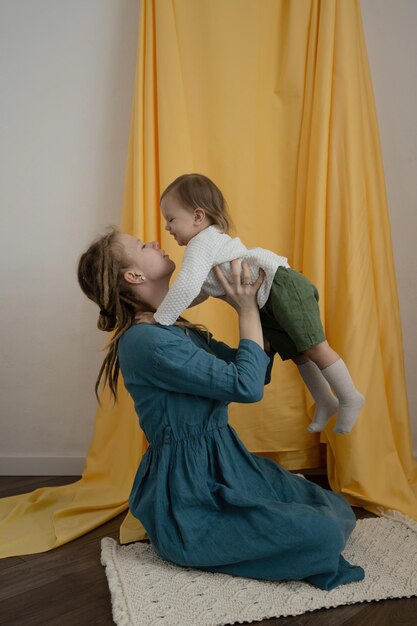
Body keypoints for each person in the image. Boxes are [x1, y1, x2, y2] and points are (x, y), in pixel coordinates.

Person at [77, 228, 365, 590]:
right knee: (322, 533)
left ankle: (268, 517)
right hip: (188, 489)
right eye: (140, 245)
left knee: (333, 507)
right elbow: (245, 386)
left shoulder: (177, 328)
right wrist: (245, 310)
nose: (153, 240)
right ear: (133, 276)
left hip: (228, 461)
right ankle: (196, 536)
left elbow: (254, 373)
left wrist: (257, 304)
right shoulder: (144, 341)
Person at [140, 173, 364, 435]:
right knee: (300, 354)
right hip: (266, 301)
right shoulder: (206, 243)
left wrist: (160, 318)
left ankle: (350, 396)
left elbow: (188, 285)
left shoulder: (201, 243)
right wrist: (163, 311)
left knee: (315, 346)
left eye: (171, 219)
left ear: (198, 217)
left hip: (281, 287)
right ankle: (326, 400)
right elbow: (197, 292)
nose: (167, 227)